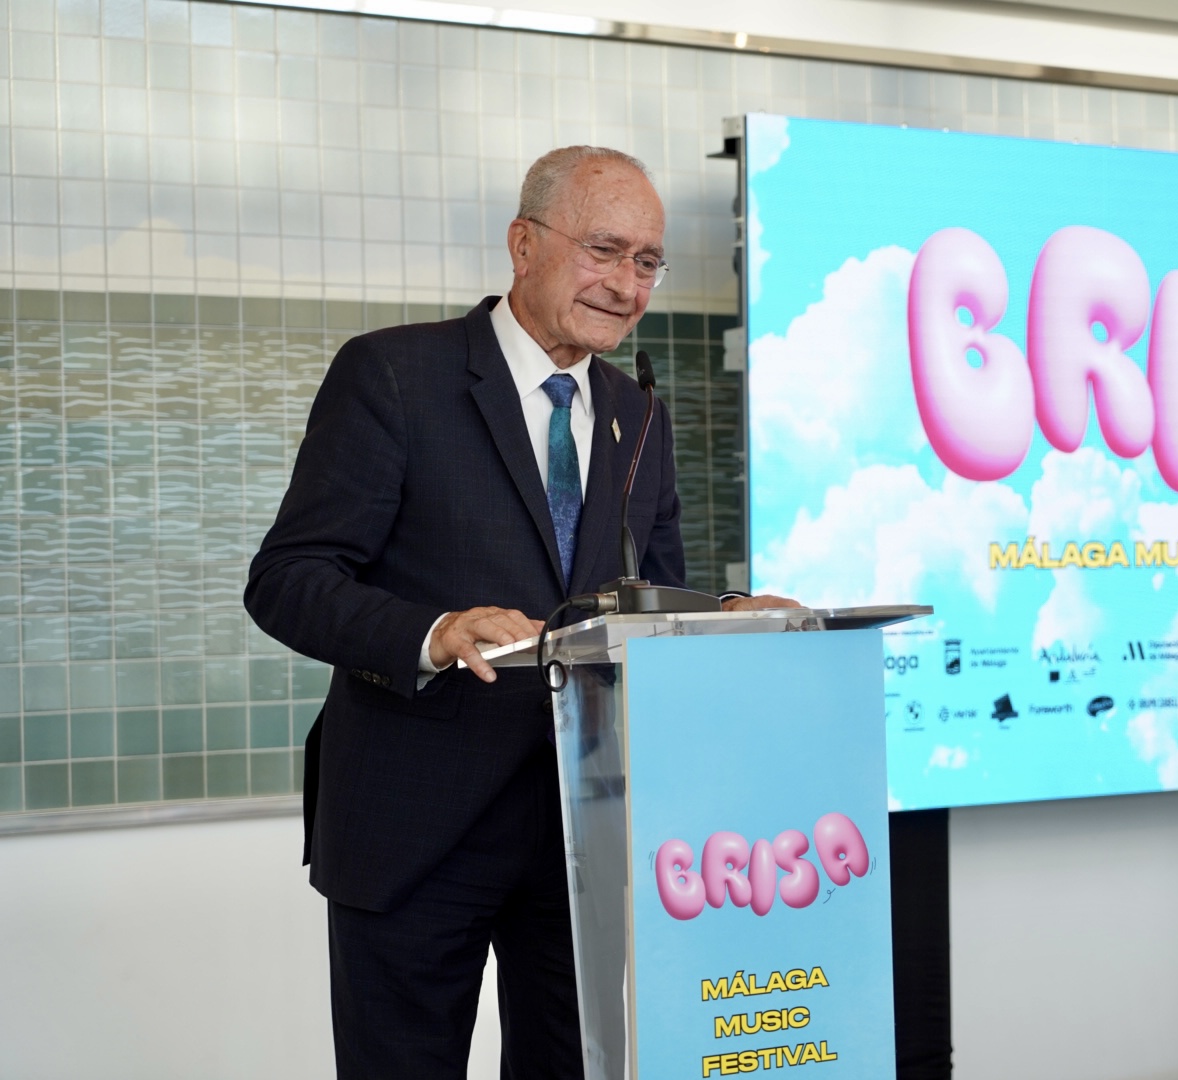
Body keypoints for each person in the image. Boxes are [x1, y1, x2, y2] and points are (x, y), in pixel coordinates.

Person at [245, 146, 789, 1079]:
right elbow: (289, 579)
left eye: (647, 262)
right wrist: (432, 634)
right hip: (415, 827)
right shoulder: (394, 375)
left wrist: (731, 616)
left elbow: (653, 599)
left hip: (583, 831)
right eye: (604, 250)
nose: (626, 284)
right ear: (523, 244)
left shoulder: (638, 415)